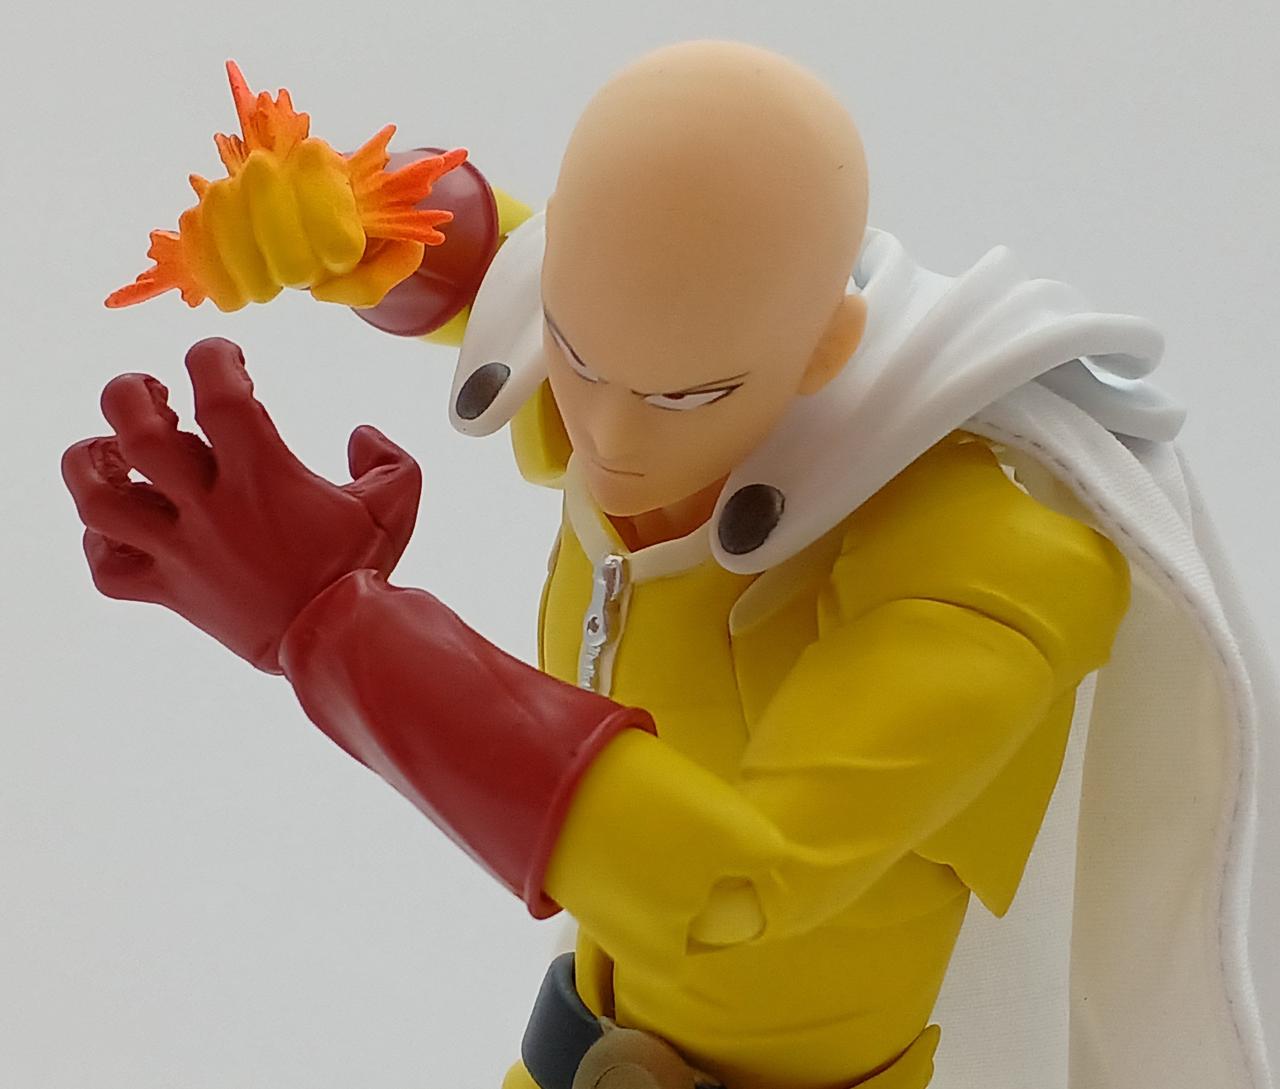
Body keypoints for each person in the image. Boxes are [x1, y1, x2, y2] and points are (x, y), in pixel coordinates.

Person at [63, 41, 1274, 1089]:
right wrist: (350, 218)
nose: (607, 440)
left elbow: (732, 889)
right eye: (577, 359)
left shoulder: (983, 564)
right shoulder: (643, 360)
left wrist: (334, 626)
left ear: (825, 348)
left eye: (684, 395)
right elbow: (491, 265)